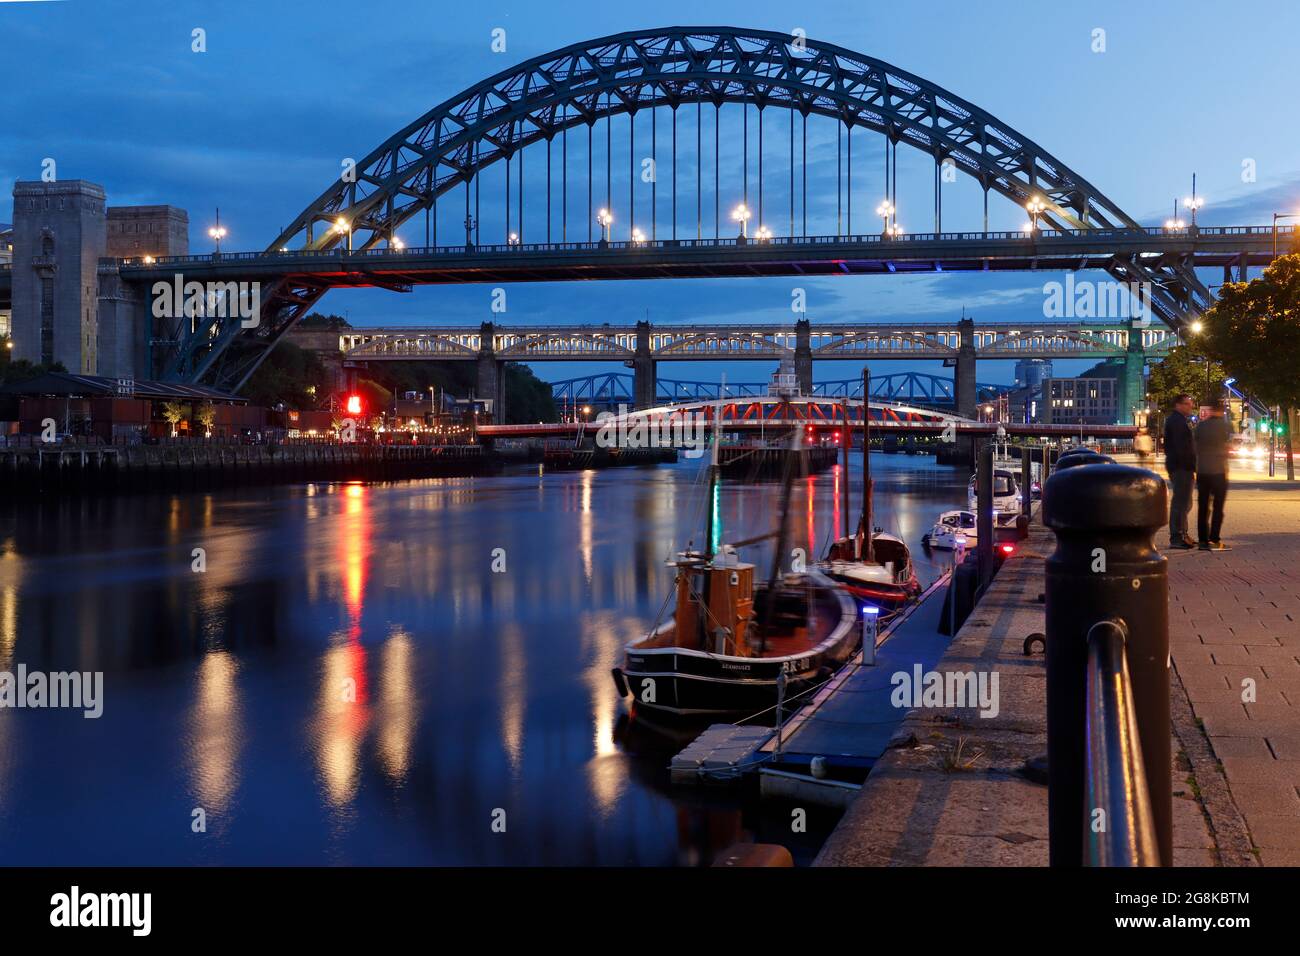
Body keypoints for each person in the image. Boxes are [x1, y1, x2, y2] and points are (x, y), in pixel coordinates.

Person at [1195, 402, 1232, 551]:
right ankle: (1214, 539)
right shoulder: (1225, 426)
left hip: (1202, 471)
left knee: (1203, 507)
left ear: (1210, 410)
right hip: (1218, 471)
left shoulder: (1200, 426)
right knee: (1218, 507)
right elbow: (1229, 446)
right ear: (1221, 411)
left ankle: (1202, 541)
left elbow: (1194, 445)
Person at [1162, 394, 1197, 549]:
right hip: (1181, 467)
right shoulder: (1176, 422)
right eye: (1187, 404)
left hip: (1181, 466)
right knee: (1181, 503)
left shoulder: (1180, 421)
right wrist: (1190, 465)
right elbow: (1181, 448)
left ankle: (1183, 533)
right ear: (1178, 405)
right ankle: (1177, 536)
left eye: (1191, 404)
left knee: (1185, 502)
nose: (1190, 407)